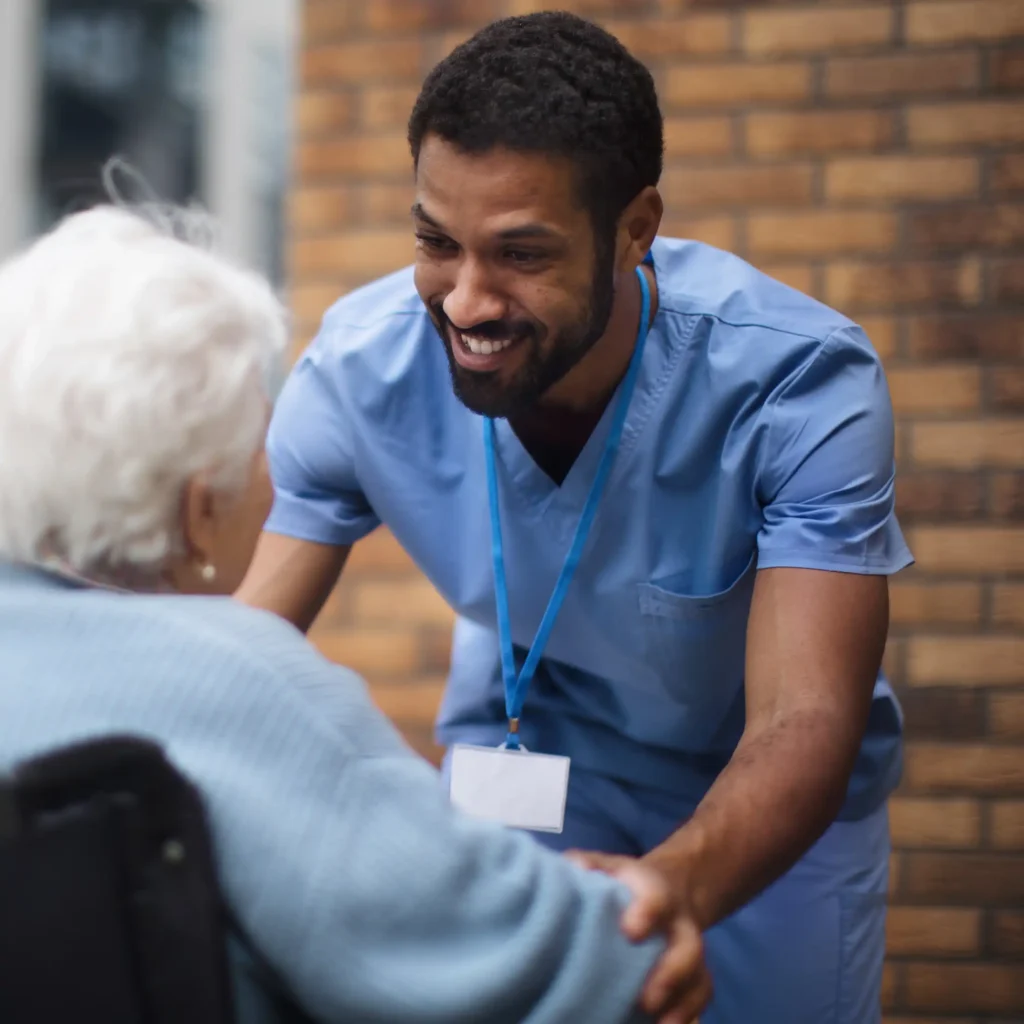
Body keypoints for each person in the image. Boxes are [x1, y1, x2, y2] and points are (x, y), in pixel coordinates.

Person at [238, 12, 915, 1024]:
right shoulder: (359, 369)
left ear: (635, 228)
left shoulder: (799, 386)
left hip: (762, 792)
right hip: (529, 758)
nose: (465, 301)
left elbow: (802, 718)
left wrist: (671, 886)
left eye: (519, 254)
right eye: (435, 242)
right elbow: (244, 644)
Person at [0, 204, 713, 1024]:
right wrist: (629, 933)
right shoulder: (238, 687)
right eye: (260, 428)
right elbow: (526, 952)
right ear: (201, 511)